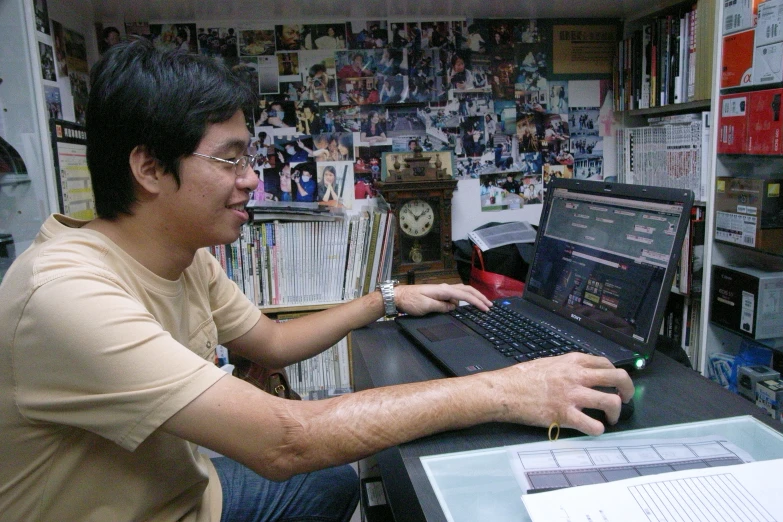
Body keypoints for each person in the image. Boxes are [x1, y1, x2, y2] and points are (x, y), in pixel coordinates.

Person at [0, 39, 634, 521]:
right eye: (230, 158)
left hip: (194, 497)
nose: (252, 178)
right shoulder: (64, 297)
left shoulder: (180, 252)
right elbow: (284, 442)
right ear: (149, 169)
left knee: (336, 484)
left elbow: (271, 345)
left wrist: (386, 297)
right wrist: (507, 390)